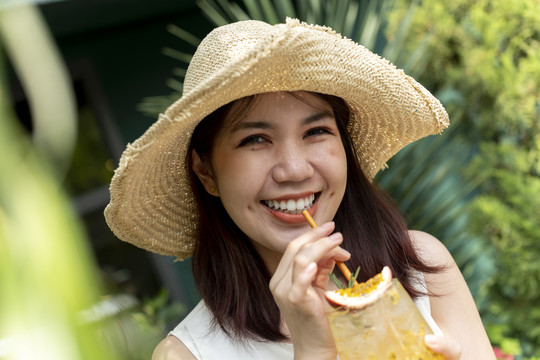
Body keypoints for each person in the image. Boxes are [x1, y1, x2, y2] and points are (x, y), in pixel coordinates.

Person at [105, 18, 495, 359]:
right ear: (205, 172)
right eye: (255, 139)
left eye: (316, 131)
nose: (293, 169)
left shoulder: (421, 268)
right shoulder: (188, 354)